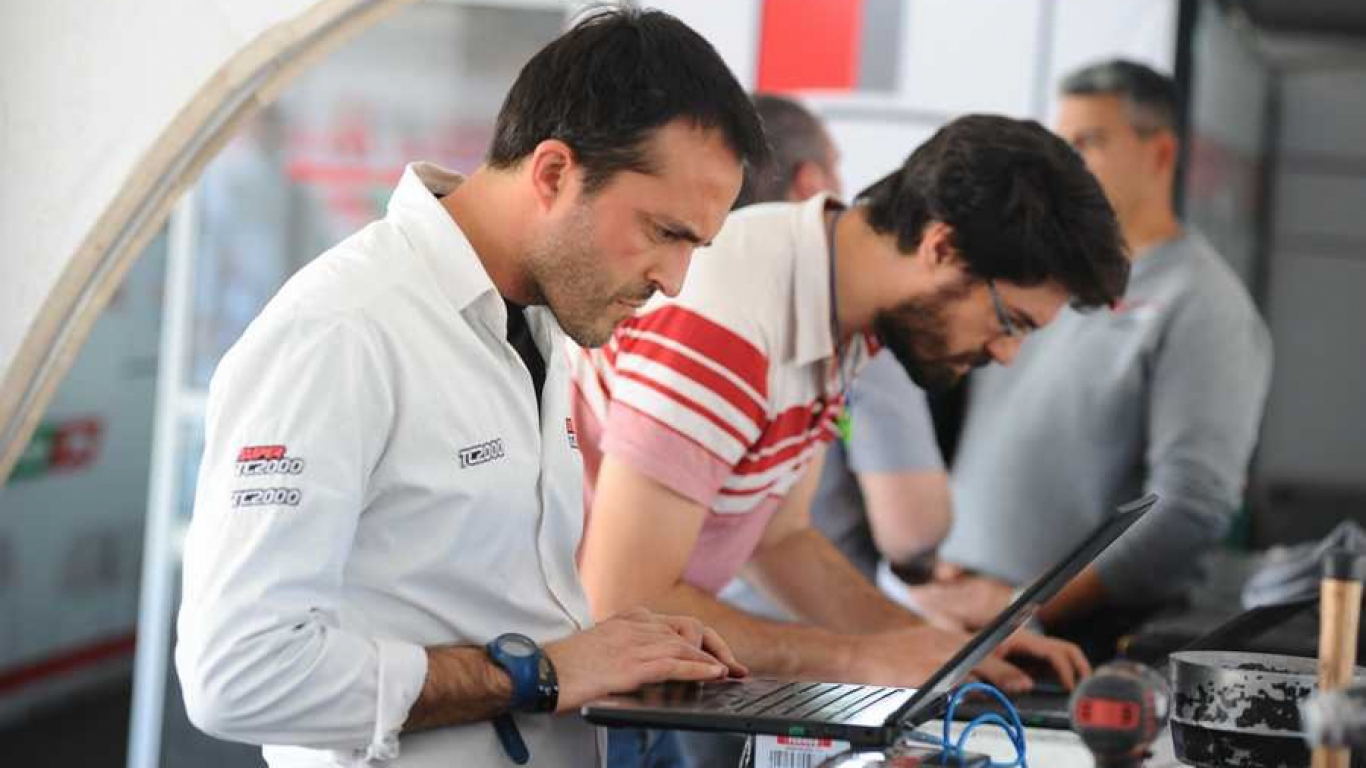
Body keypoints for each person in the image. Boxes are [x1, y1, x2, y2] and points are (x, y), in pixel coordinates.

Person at [174, 9, 770, 767]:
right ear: (554, 174)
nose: (673, 281)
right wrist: (539, 673)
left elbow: (479, 600)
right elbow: (238, 677)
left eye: (697, 245)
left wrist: (613, 649)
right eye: (665, 232)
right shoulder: (340, 333)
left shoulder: (544, 315)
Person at [570, 114, 1128, 712]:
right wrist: (856, 660)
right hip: (566, 689)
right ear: (941, 247)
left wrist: (942, 650)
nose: (1007, 354)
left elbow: (781, 539)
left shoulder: (837, 309)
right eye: (1009, 321)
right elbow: (623, 600)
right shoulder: (730, 323)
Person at [916, 60, 1273, 660]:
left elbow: (1188, 510)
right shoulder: (1041, 277)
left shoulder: (1204, 304)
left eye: (1091, 142)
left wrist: (1024, 604)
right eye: (1063, 144)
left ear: (1160, 154)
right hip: (962, 622)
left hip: (1083, 647)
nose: (1069, 166)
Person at [720, 94, 952, 619]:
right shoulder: (850, 318)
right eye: (837, 171)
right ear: (809, 186)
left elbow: (774, 534)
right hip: (802, 647)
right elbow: (910, 533)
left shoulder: (680, 294)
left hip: (687, 641)